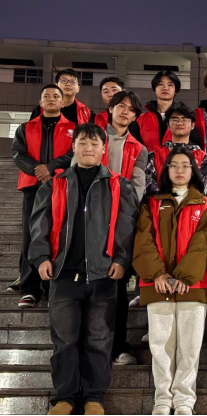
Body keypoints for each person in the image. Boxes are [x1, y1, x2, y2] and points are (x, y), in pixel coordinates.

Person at [28, 123, 139, 415]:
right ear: (73, 147)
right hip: (63, 274)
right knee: (64, 341)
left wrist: (122, 260)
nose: (88, 148)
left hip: (103, 276)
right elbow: (39, 224)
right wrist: (41, 258)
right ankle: (64, 397)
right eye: (82, 143)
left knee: (99, 340)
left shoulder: (120, 185)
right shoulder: (55, 184)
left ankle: (94, 397)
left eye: (94, 144)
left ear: (104, 149)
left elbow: (128, 227)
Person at [133, 146, 207, 416]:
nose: (179, 170)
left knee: (190, 347)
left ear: (193, 171)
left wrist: (185, 276)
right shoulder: (151, 205)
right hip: (157, 284)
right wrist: (157, 274)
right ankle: (162, 400)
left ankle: (184, 401)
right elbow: (143, 242)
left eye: (185, 165)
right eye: (174, 165)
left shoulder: (206, 205)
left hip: (194, 284)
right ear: (166, 171)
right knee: (160, 345)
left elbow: (204, 244)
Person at [12, 84, 75, 308]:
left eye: (56, 96)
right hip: (32, 187)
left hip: (61, 185)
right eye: (46, 96)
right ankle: (29, 289)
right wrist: (39, 171)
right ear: (40, 102)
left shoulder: (74, 128)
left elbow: (73, 154)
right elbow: (18, 154)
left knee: (56, 234)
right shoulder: (25, 127)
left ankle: (52, 287)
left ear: (63, 102)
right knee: (30, 236)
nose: (51, 99)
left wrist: (51, 167)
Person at [98, 90, 147, 366]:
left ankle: (118, 347)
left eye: (131, 108)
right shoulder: (93, 137)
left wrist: (122, 215)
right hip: (91, 220)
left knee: (117, 290)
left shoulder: (139, 148)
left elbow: (137, 190)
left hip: (121, 222)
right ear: (110, 109)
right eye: (121, 106)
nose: (125, 111)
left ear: (135, 116)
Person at [145, 102, 207, 197]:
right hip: (160, 204)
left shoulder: (204, 157)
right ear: (168, 125)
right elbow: (150, 188)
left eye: (184, 119)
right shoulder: (154, 155)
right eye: (175, 119)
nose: (180, 123)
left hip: (192, 204)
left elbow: (202, 189)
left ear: (192, 125)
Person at [30, 69, 95, 125]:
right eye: (64, 80)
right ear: (56, 86)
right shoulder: (40, 110)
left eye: (73, 82)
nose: (68, 84)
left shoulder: (86, 112)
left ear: (78, 88)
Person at [137, 70, 180, 152]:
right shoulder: (141, 120)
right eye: (160, 84)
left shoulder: (184, 119)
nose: (165, 88)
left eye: (170, 85)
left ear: (175, 91)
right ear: (154, 90)